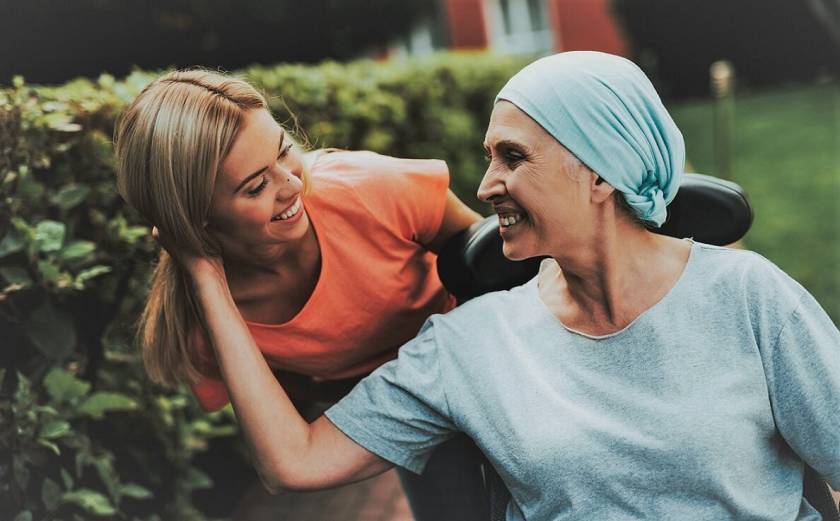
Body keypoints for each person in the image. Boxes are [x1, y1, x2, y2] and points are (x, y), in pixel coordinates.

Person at [130, 53, 840, 521]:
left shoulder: (749, 296)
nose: (484, 184)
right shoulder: (471, 346)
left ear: (602, 171)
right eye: (489, 157)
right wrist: (201, 268)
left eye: (512, 157)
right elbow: (293, 459)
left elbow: (476, 258)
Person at [113, 69, 490, 520]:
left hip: (475, 355)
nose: (292, 185)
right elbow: (288, 441)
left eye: (284, 151)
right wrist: (203, 271)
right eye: (256, 186)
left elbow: (490, 263)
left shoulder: (368, 189)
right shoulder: (207, 326)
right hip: (403, 410)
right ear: (197, 220)